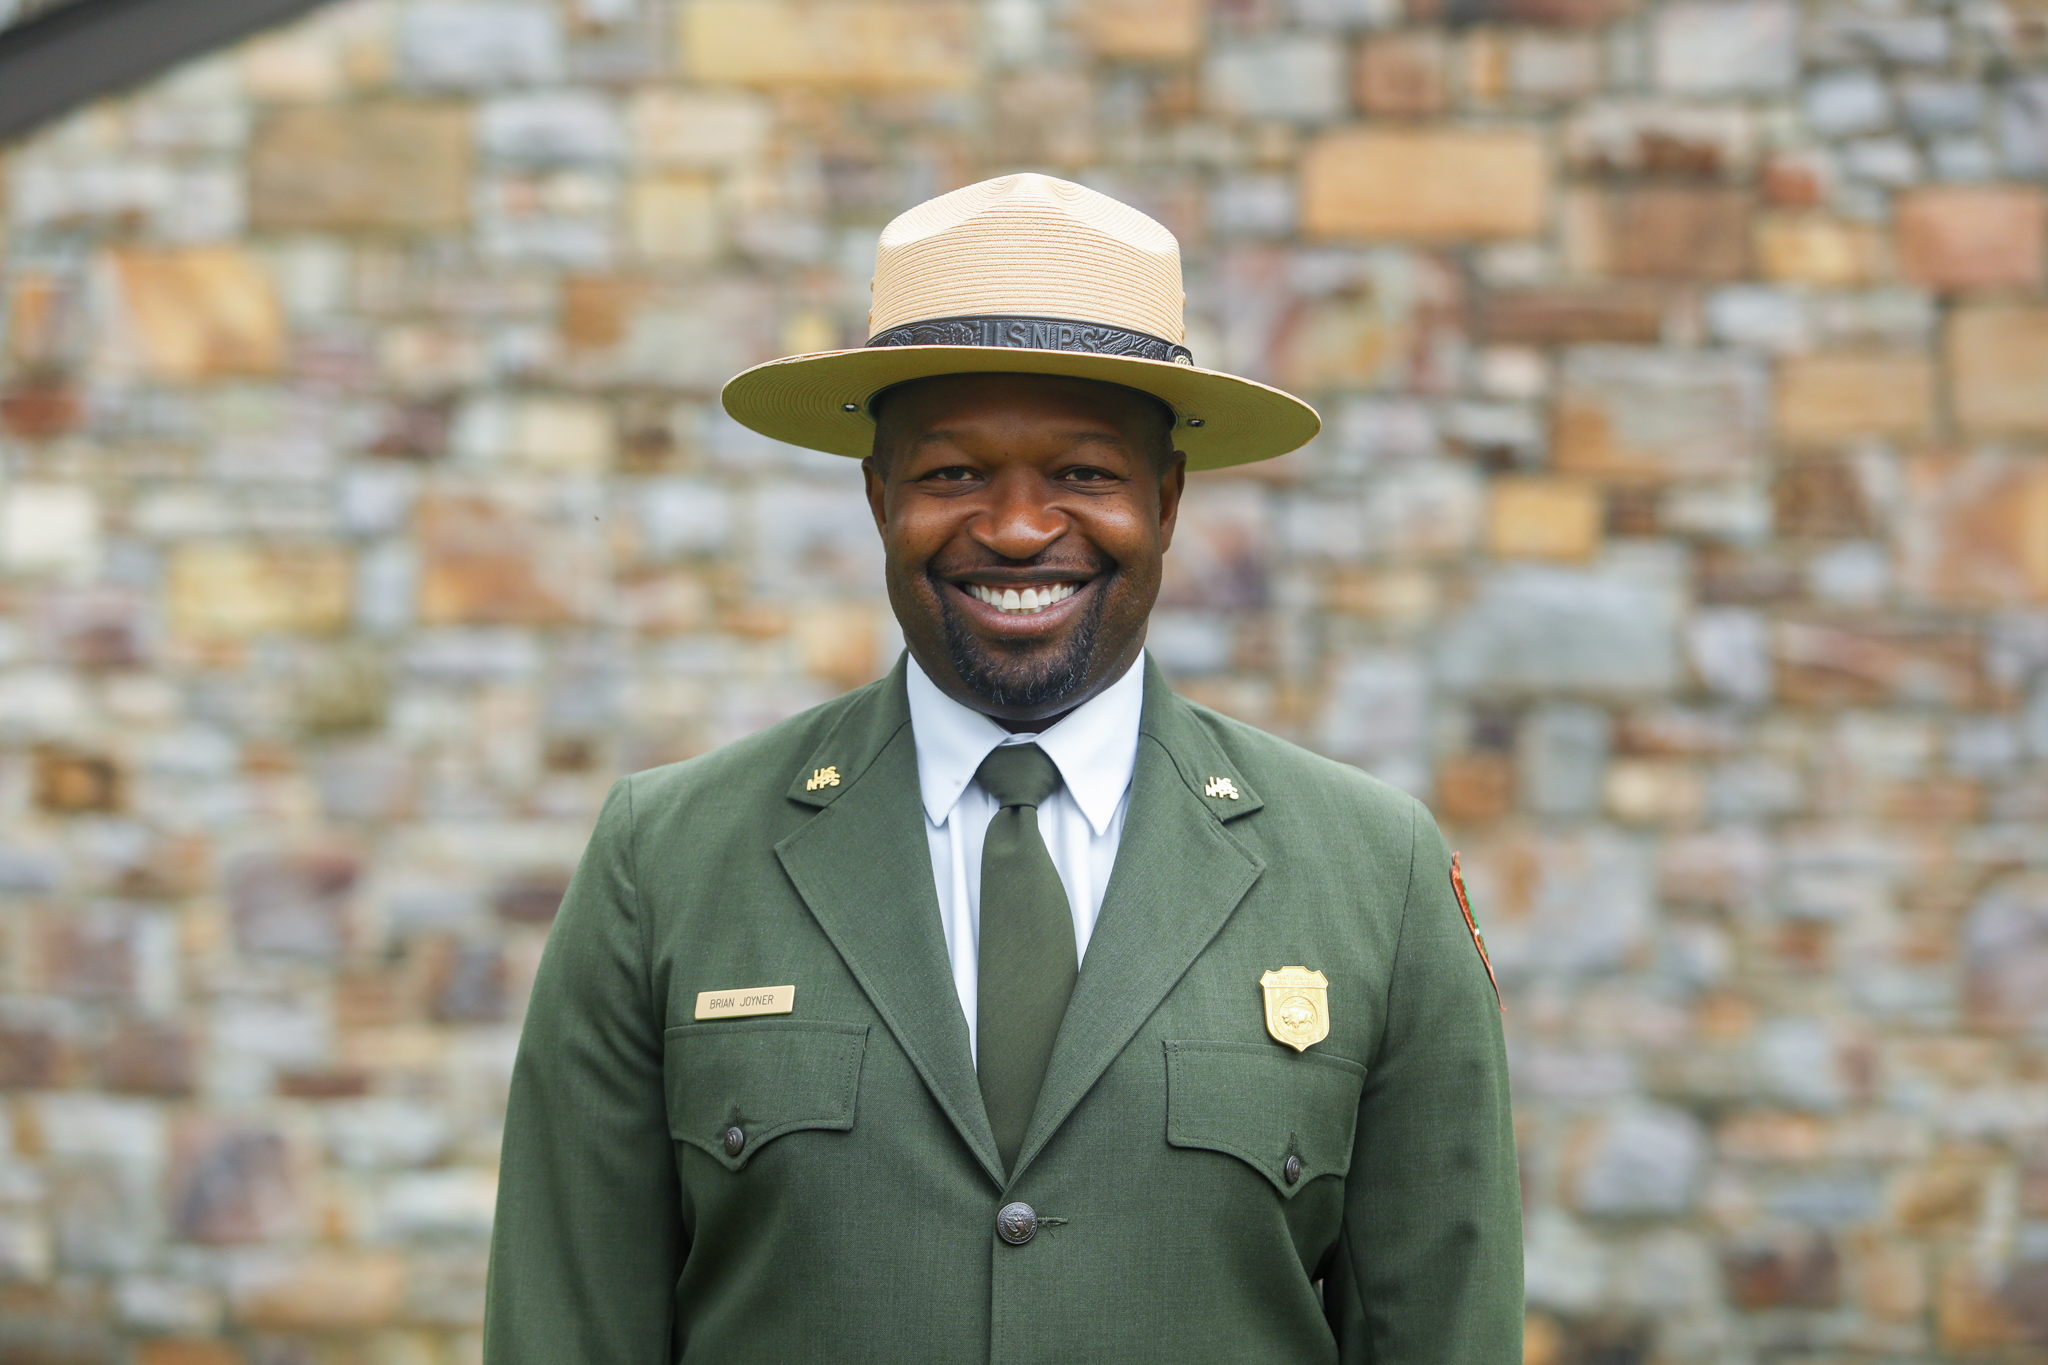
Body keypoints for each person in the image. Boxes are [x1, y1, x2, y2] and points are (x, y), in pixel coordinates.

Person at [483, 173, 1521, 1364]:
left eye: (1082, 473)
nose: (1018, 528)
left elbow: (1443, 1326)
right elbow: (563, 1327)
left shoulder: (1370, 874)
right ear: (878, 497)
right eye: (951, 474)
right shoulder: (666, 859)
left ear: (1167, 499)